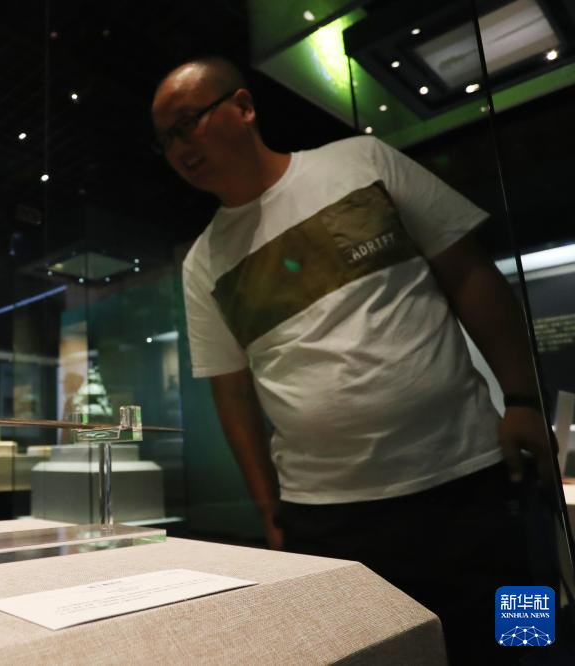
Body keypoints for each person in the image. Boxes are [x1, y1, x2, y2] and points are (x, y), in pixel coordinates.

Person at [152, 56, 551, 661]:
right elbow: (231, 391)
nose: (179, 147)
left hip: (469, 476)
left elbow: (469, 271)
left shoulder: (361, 162)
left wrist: (521, 398)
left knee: (519, 644)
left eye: (188, 123)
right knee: (366, 655)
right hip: (326, 515)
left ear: (243, 106)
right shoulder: (203, 262)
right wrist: (270, 512)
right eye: (167, 139)